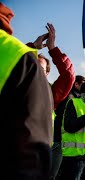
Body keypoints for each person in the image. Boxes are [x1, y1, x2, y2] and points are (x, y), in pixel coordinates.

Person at [0, 2, 53, 179]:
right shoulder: (20, 61)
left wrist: (52, 50)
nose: (39, 67)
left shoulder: (23, 65)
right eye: (37, 64)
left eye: (43, 68)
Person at [26, 23, 75, 180]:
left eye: (41, 67)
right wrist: (33, 47)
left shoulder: (50, 93)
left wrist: (52, 49)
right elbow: (10, 59)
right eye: (32, 65)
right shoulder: (15, 84)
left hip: (41, 155)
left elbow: (68, 75)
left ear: (47, 73)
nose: (36, 70)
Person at [53, 75, 85, 179]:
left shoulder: (78, 98)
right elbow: (64, 118)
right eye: (83, 84)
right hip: (61, 139)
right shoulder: (69, 97)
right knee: (54, 172)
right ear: (76, 84)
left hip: (66, 142)